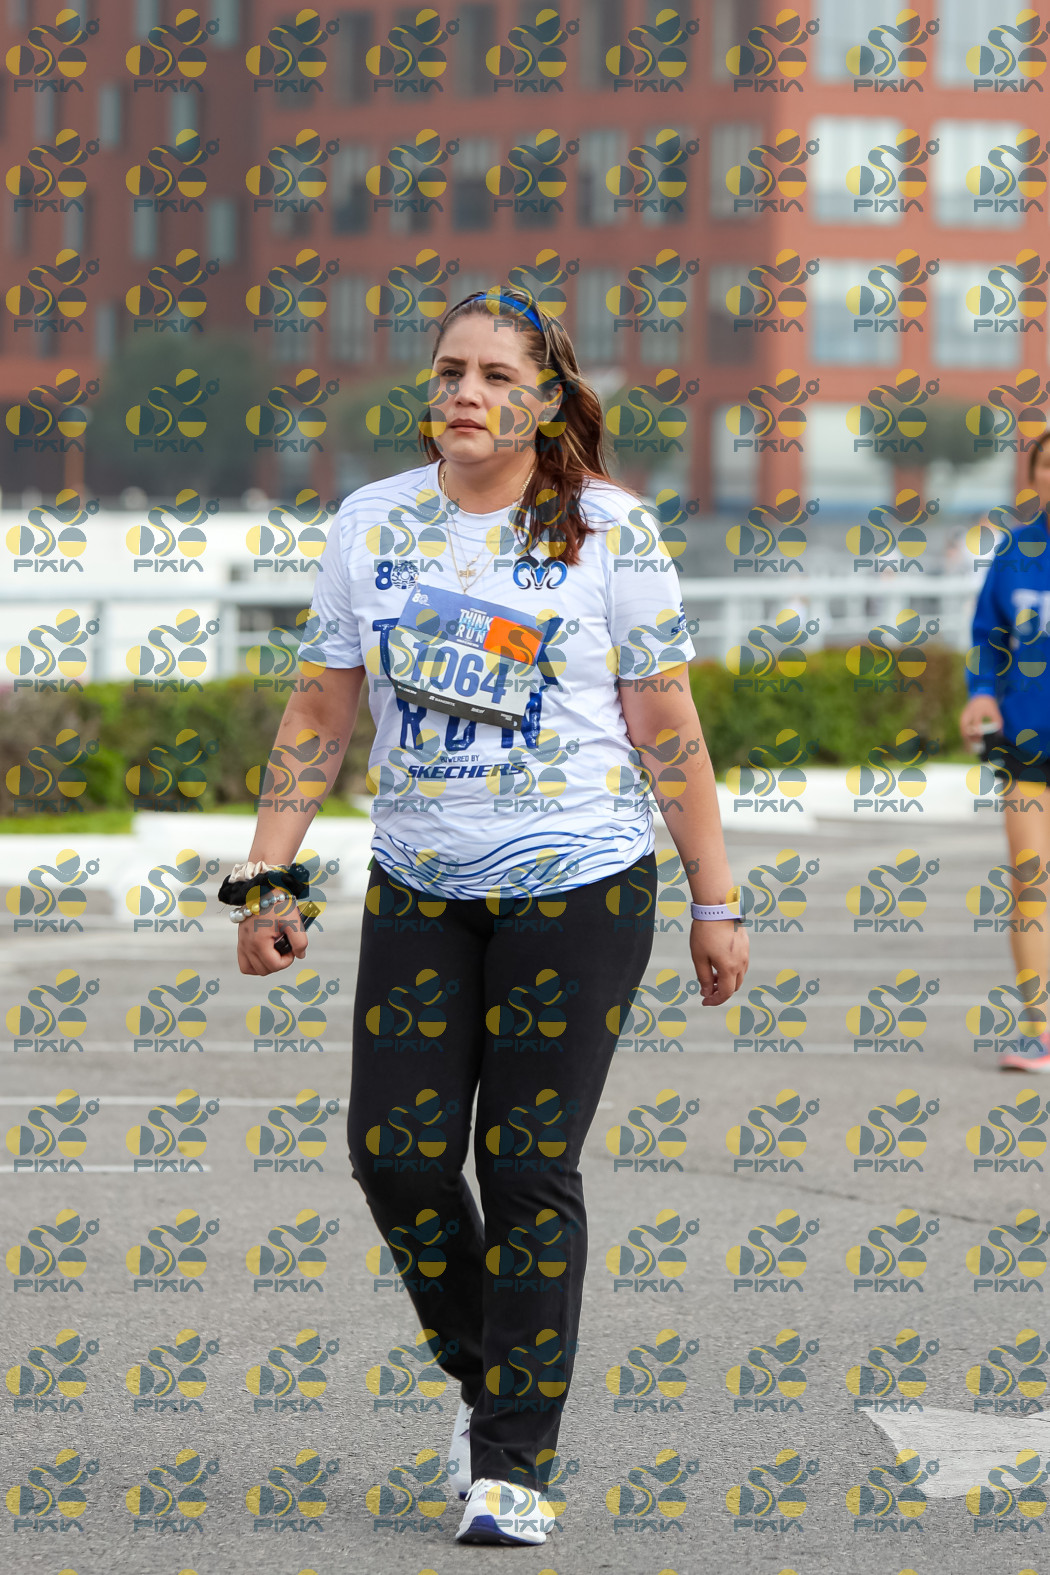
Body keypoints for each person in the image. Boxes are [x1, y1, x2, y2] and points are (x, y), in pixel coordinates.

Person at [228, 285, 749, 1545]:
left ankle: (513, 1459)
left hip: (582, 888)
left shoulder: (609, 532)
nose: (465, 393)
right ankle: (490, 1378)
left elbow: (667, 728)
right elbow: (321, 710)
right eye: (450, 370)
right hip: (422, 885)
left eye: (498, 376)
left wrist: (715, 899)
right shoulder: (374, 523)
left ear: (548, 402)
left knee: (524, 1167)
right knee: (397, 1156)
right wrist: (267, 877)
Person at [960, 426, 1050, 1070]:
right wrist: (982, 694)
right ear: (1034, 475)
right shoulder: (1016, 552)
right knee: (1030, 882)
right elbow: (987, 640)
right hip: (1026, 740)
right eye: (1047, 464)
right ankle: (1041, 1030)